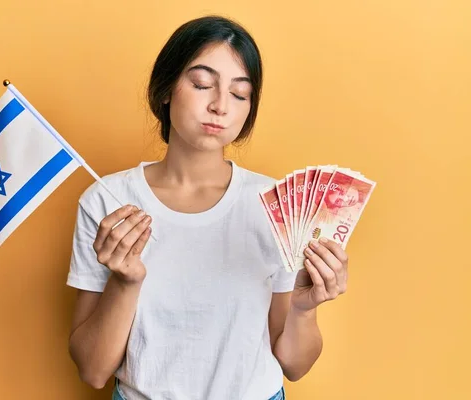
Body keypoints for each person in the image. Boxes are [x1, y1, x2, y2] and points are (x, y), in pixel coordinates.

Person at [66, 15, 349, 400]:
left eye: (239, 93)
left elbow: (294, 366)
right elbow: (93, 370)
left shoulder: (277, 205)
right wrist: (125, 281)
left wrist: (304, 308)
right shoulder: (106, 200)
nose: (220, 106)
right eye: (202, 84)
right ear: (166, 90)